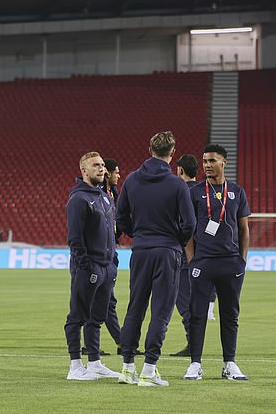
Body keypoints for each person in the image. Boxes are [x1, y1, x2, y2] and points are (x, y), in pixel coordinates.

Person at [116, 131, 196, 387]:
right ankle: (149, 370)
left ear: (149, 149)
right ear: (172, 154)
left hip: (140, 250)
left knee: (135, 307)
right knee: (161, 311)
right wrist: (177, 241)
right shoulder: (176, 184)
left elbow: (121, 217)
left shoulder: (131, 180)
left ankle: (127, 367)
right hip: (167, 252)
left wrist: (136, 234)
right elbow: (190, 223)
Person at [183, 144, 251, 381]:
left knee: (230, 314)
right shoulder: (194, 193)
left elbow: (244, 229)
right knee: (197, 314)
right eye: (204, 161)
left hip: (231, 264)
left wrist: (242, 261)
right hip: (203, 263)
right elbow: (187, 231)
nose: (207, 165)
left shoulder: (237, 192)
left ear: (224, 162)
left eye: (212, 161)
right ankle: (195, 364)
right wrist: (192, 261)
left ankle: (229, 364)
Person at [64, 151, 122, 381]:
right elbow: (75, 239)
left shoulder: (104, 196)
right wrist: (86, 266)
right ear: (83, 171)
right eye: (96, 165)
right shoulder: (79, 199)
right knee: (77, 315)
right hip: (90, 268)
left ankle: (95, 362)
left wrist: (113, 261)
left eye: (102, 165)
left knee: (97, 317)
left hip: (107, 267)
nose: (102, 169)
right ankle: (75, 366)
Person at [81, 158, 142, 357]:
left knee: (106, 301)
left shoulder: (112, 194)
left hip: (110, 253)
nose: (119, 175)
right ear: (107, 173)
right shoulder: (95, 195)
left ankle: (117, 342)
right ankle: (118, 343)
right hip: (96, 257)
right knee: (100, 301)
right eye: (116, 172)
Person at [170, 154, 200, 357]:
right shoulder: (204, 191)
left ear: (180, 170)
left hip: (182, 255)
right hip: (203, 255)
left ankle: (194, 345)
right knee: (191, 301)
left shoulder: (180, 192)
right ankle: (194, 344)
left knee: (184, 302)